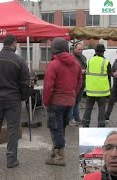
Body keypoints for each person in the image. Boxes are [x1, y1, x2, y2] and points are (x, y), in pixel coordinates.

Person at [0, 35, 30, 168]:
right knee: (13, 129)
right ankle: (11, 159)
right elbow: (26, 82)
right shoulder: (19, 60)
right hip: (13, 99)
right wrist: (22, 97)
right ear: (14, 43)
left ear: (4, 44)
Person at [43, 37, 82, 166]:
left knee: (55, 128)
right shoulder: (76, 63)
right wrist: (72, 95)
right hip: (69, 102)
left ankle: (59, 157)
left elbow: (48, 86)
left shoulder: (53, 64)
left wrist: (46, 101)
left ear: (54, 49)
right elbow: (79, 82)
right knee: (61, 127)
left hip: (56, 102)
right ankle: (56, 152)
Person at [82, 44, 111, 127]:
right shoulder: (106, 62)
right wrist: (109, 92)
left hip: (90, 90)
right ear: (103, 52)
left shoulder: (89, 61)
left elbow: (85, 75)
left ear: (95, 51)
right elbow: (109, 78)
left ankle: (85, 123)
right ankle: (101, 124)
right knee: (101, 109)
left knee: (88, 108)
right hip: (102, 91)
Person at [69, 43, 87, 126]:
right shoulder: (71, 58)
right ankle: (71, 118)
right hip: (74, 83)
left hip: (82, 82)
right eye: (79, 49)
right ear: (74, 49)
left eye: (81, 49)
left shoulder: (83, 57)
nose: (80, 51)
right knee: (72, 101)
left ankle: (77, 117)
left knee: (78, 101)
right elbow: (70, 70)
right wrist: (80, 71)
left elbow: (86, 67)